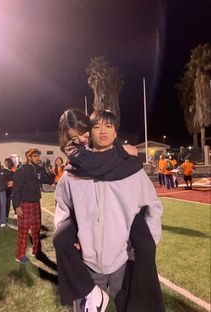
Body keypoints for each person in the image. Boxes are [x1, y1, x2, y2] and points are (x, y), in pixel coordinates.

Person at [54, 109, 164, 312]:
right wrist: (71, 240)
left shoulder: (132, 169)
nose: (102, 131)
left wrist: (146, 244)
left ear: (116, 133)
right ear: (90, 132)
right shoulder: (73, 173)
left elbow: (153, 207)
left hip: (123, 260)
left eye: (109, 126)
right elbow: (63, 208)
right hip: (87, 264)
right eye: (96, 127)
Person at [12, 147, 53, 264]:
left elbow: (49, 181)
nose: (37, 158)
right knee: (23, 231)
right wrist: (17, 207)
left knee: (36, 229)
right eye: (35, 156)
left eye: (38, 155)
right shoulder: (21, 170)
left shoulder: (39, 169)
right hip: (24, 204)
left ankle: (36, 250)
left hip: (36, 203)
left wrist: (49, 172)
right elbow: (15, 191)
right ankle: (19, 255)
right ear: (28, 157)